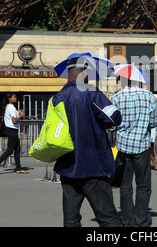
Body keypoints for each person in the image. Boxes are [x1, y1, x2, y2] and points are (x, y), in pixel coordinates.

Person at [54, 56, 122, 227]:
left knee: (71, 219)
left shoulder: (57, 97)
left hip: (67, 166)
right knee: (107, 217)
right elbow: (114, 117)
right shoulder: (91, 92)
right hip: (93, 166)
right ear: (82, 71)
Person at [111, 77, 157, 227]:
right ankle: (142, 220)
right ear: (138, 81)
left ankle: (127, 221)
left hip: (123, 146)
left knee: (125, 186)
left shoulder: (116, 97)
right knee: (143, 185)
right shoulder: (148, 96)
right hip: (141, 146)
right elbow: (154, 122)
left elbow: (112, 125)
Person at [0, 93, 28, 175]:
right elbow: (14, 121)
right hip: (12, 130)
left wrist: (18, 113)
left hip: (11, 130)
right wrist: (21, 115)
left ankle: (18, 167)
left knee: (17, 149)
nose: (16, 98)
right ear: (10, 98)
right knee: (9, 150)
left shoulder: (8, 107)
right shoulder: (11, 107)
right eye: (14, 97)